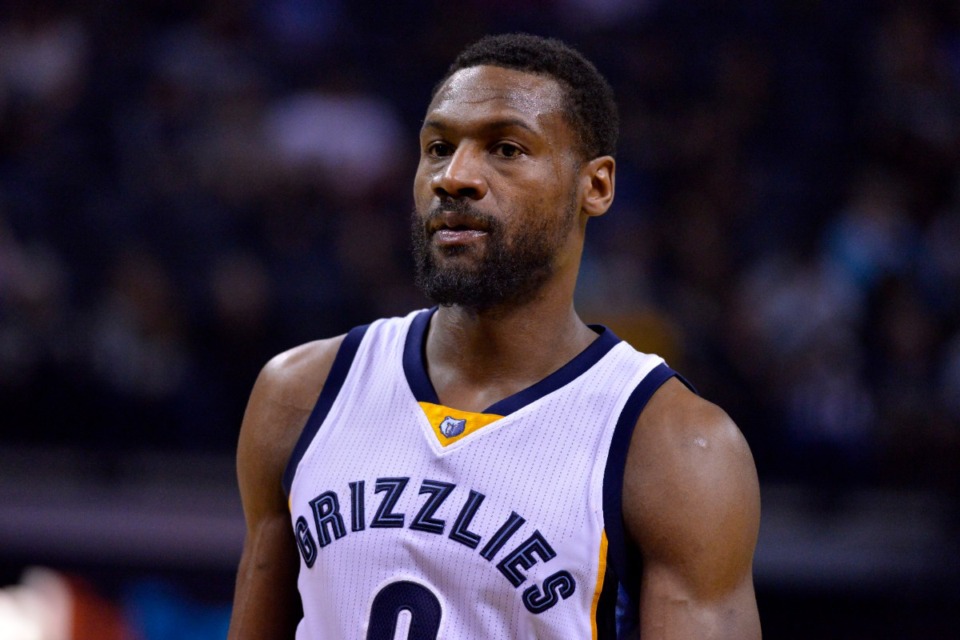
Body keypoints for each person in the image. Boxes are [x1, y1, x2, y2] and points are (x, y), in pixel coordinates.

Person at [227, 33, 761, 639]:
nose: (454, 177)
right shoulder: (300, 393)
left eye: (506, 149)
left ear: (597, 186)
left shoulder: (674, 445)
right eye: (437, 147)